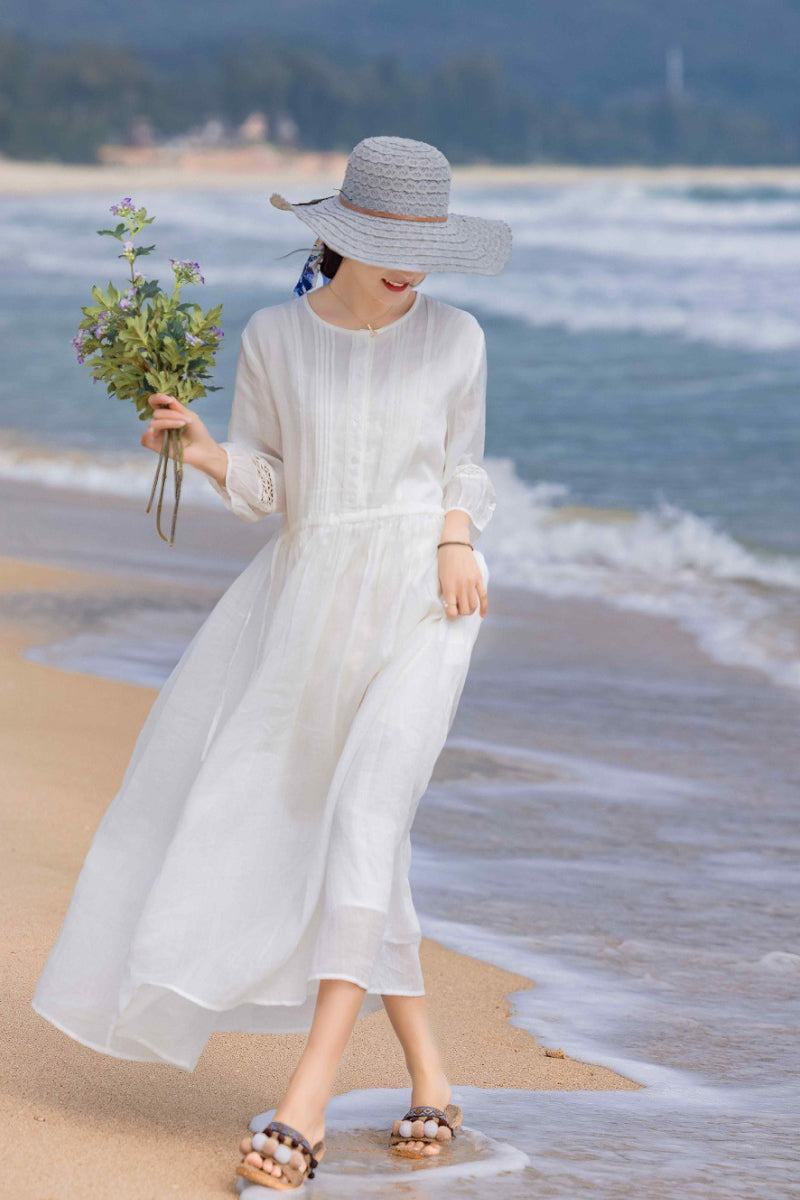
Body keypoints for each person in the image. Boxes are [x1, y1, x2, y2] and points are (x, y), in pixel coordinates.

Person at [31, 135, 512, 1189]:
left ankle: (309, 1094)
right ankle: (431, 1075)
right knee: (361, 840)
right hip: (305, 607)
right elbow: (269, 488)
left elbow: (468, 463)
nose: (407, 264)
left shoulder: (458, 339)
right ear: (336, 236)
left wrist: (455, 534)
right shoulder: (272, 337)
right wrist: (203, 453)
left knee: (365, 815)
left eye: (423, 244)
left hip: (429, 601)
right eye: (387, 241)